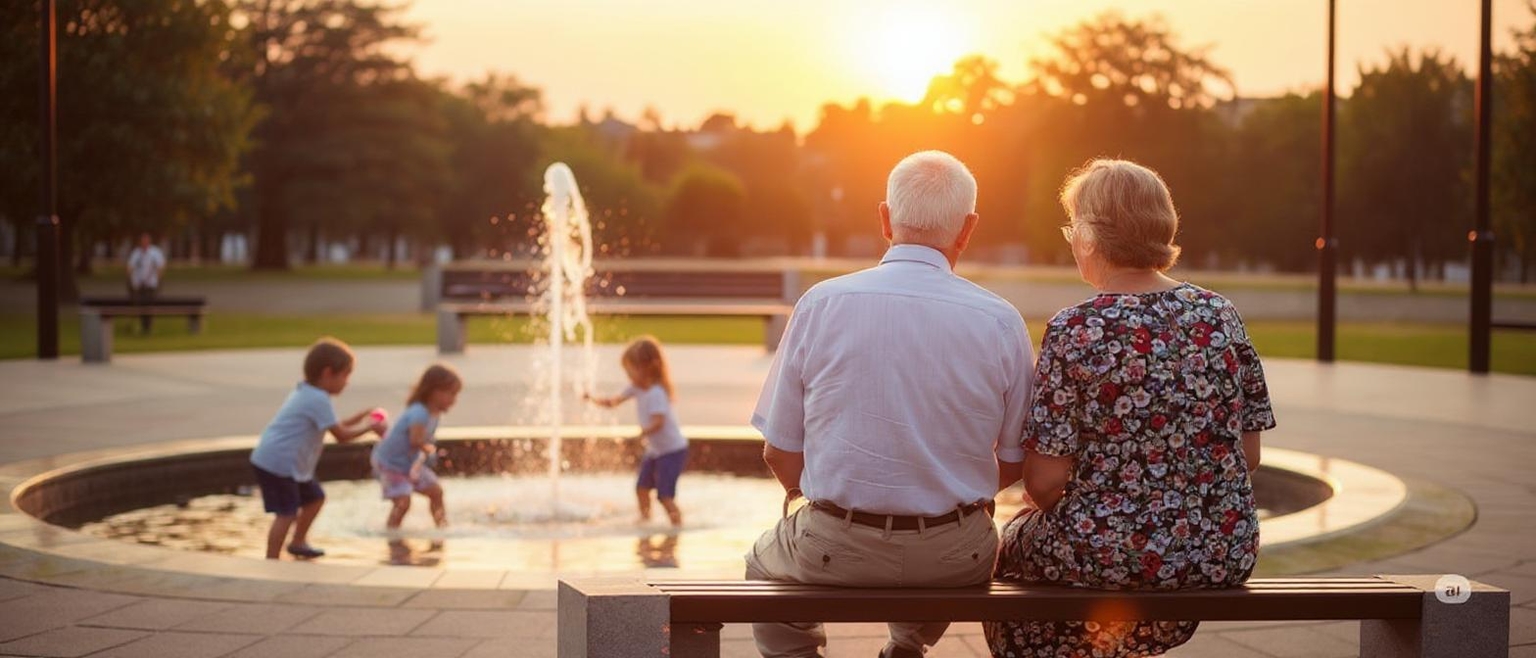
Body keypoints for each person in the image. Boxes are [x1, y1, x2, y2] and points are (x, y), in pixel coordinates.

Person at [748, 150, 1035, 658]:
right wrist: (943, 490)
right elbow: (1014, 462)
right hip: (956, 555)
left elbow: (779, 451)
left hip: (836, 545)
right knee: (956, 549)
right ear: (967, 229)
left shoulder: (821, 304)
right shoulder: (1001, 321)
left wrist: (821, 499)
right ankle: (907, 644)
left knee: (761, 564)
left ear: (885, 218)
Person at [984, 159, 1277, 657]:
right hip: (1221, 552)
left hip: (1110, 553)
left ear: (1090, 237)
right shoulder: (1220, 315)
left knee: (1010, 547)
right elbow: (1248, 456)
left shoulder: (1076, 328)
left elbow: (1044, 483)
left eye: (1073, 228)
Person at [249, 337, 385, 560]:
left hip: (283, 462)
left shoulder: (309, 392)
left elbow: (335, 425)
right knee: (286, 513)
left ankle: (298, 542)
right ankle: (271, 560)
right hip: (279, 464)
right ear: (328, 373)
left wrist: (360, 418)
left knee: (314, 499)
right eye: (345, 375)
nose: (347, 383)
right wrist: (370, 426)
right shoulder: (317, 399)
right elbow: (341, 435)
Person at [584, 336, 689, 527]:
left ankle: (677, 526)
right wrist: (592, 399)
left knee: (664, 495)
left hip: (672, 451)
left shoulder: (656, 393)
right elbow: (614, 402)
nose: (628, 375)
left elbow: (658, 423)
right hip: (656, 450)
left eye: (630, 370)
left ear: (646, 368)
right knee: (641, 488)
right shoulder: (636, 388)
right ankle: (645, 521)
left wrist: (640, 433)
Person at [372, 364, 461, 560]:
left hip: (410, 464)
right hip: (391, 464)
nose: (454, 400)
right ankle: (392, 536)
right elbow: (415, 439)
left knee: (436, 491)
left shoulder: (434, 413)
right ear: (434, 391)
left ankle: (441, 529)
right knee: (402, 502)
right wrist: (428, 448)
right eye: (451, 394)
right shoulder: (419, 412)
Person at [125, 232, 166, 334]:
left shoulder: (155, 253)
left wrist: (158, 280)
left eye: (146, 241)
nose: (144, 243)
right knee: (140, 305)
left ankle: (148, 326)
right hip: (139, 285)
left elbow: (161, 266)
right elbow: (130, 266)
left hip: (151, 284)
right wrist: (130, 280)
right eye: (143, 241)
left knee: (149, 305)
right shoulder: (136, 253)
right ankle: (143, 325)